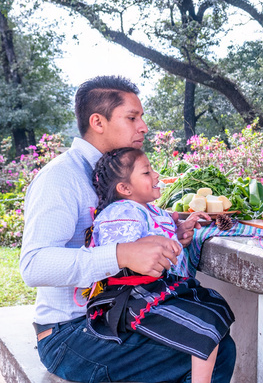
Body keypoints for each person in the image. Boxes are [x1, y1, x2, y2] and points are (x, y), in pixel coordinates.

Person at [20, 76, 236, 382]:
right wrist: (122, 253)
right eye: (132, 117)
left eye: (142, 117)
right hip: (69, 333)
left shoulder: (115, 174)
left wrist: (165, 231)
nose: (144, 127)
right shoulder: (60, 179)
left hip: (115, 313)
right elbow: (33, 265)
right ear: (98, 122)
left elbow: (123, 223)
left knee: (209, 330)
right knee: (209, 349)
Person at [84, 147, 235, 383]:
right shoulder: (122, 211)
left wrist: (178, 232)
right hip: (136, 295)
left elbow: (158, 239)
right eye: (147, 172)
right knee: (204, 326)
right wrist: (159, 241)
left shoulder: (150, 210)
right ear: (124, 188)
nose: (156, 176)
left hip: (163, 289)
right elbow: (119, 251)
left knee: (215, 309)